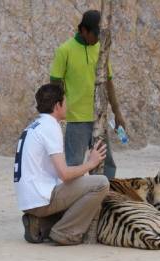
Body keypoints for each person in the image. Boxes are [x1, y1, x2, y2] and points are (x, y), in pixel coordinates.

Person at [14, 84, 109, 245]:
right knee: (101, 183)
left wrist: (83, 171)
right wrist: (91, 163)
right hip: (41, 199)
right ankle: (65, 233)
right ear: (57, 105)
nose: (67, 105)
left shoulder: (34, 126)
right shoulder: (50, 127)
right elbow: (64, 175)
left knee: (82, 180)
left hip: (29, 200)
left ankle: (41, 225)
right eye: (65, 102)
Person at [50, 10, 125, 179]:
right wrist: (55, 117)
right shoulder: (65, 50)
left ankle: (105, 201)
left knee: (107, 164)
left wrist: (117, 113)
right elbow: (54, 85)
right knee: (74, 165)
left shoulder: (101, 49)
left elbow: (109, 84)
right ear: (83, 30)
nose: (98, 38)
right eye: (95, 34)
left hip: (100, 117)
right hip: (76, 120)